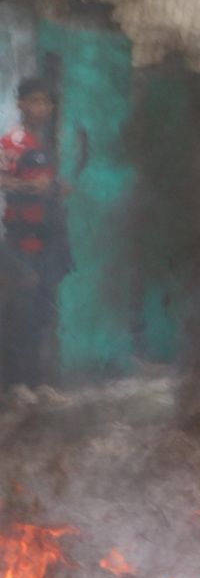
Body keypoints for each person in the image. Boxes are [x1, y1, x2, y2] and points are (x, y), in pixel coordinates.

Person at [1, 78, 72, 397]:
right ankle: (15, 385)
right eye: (35, 101)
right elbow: (3, 180)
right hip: (22, 243)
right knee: (20, 313)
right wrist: (34, 187)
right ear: (21, 104)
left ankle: (37, 382)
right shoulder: (14, 142)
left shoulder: (41, 144)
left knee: (43, 312)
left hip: (47, 243)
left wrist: (55, 189)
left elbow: (46, 188)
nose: (42, 108)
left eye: (46, 102)